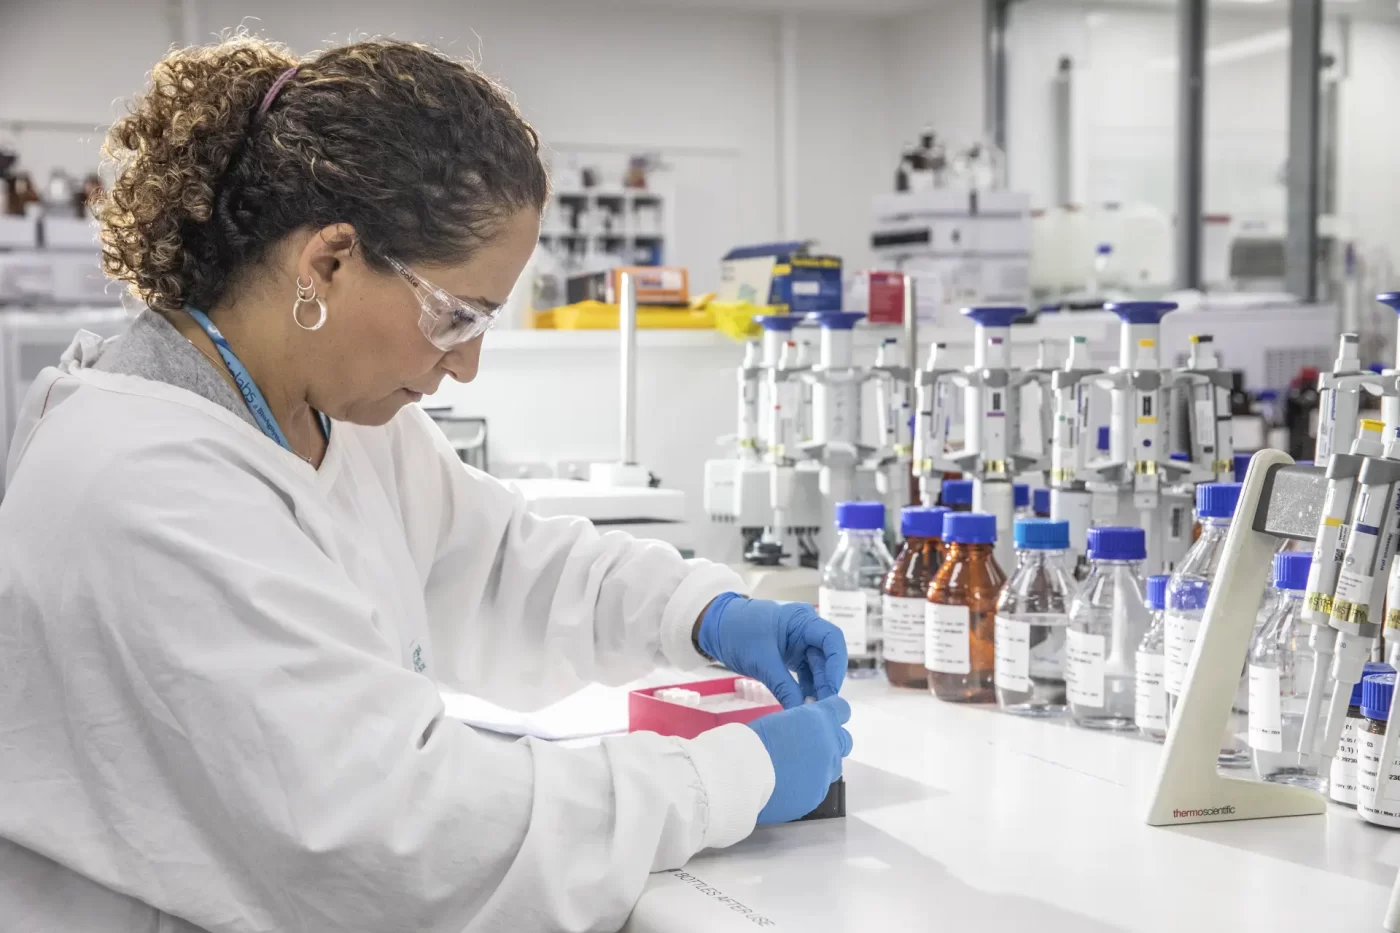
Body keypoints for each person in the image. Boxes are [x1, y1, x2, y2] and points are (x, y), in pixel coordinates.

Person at [0, 36, 852, 933]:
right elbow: (401, 835)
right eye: (455, 315)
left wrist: (700, 614)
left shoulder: (332, 419)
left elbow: (499, 564)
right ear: (327, 263)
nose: (471, 364)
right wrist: (727, 777)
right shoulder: (147, 485)